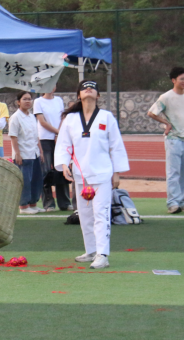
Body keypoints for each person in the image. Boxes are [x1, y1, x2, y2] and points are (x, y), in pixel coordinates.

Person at [55, 80, 129, 269]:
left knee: (101, 214)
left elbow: (116, 145)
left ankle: (102, 254)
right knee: (85, 216)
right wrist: (64, 164)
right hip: (81, 175)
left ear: (98, 95)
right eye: (84, 87)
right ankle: (91, 250)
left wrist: (117, 172)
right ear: (78, 95)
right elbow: (63, 144)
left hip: (102, 174)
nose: (88, 89)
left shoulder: (106, 117)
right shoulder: (71, 119)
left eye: (92, 87)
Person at [147, 67, 184, 214]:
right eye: (181, 79)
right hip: (173, 139)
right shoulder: (166, 97)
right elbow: (151, 113)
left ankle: (182, 202)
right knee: (173, 172)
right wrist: (166, 123)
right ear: (173, 80)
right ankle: (172, 203)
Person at [34, 85, 73, 211]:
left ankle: (65, 203)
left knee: (61, 169)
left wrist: (59, 135)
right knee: (46, 171)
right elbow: (42, 122)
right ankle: (48, 203)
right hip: (45, 139)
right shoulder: (38, 101)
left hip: (59, 139)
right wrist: (57, 132)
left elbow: (62, 118)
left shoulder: (59, 100)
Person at [9, 91, 45, 215]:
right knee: (25, 181)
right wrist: (17, 153)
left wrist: (40, 151)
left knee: (36, 180)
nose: (28, 101)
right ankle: (23, 205)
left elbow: (36, 136)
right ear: (18, 102)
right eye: (24, 99)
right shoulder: (15, 117)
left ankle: (33, 204)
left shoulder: (32, 117)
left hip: (34, 153)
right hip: (23, 154)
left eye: (29, 99)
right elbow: (13, 136)